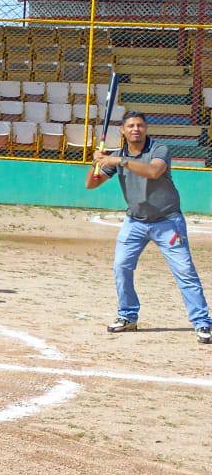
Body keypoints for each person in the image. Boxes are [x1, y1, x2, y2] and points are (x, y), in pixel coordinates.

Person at [87, 111, 210, 344]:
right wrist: (96, 163)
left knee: (184, 271)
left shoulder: (158, 150)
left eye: (140, 125)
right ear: (122, 130)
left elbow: (154, 171)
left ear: (146, 129)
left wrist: (117, 160)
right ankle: (127, 316)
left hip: (167, 221)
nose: (136, 129)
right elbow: (91, 185)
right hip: (135, 222)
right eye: (131, 125)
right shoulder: (116, 156)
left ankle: (202, 322)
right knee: (121, 267)